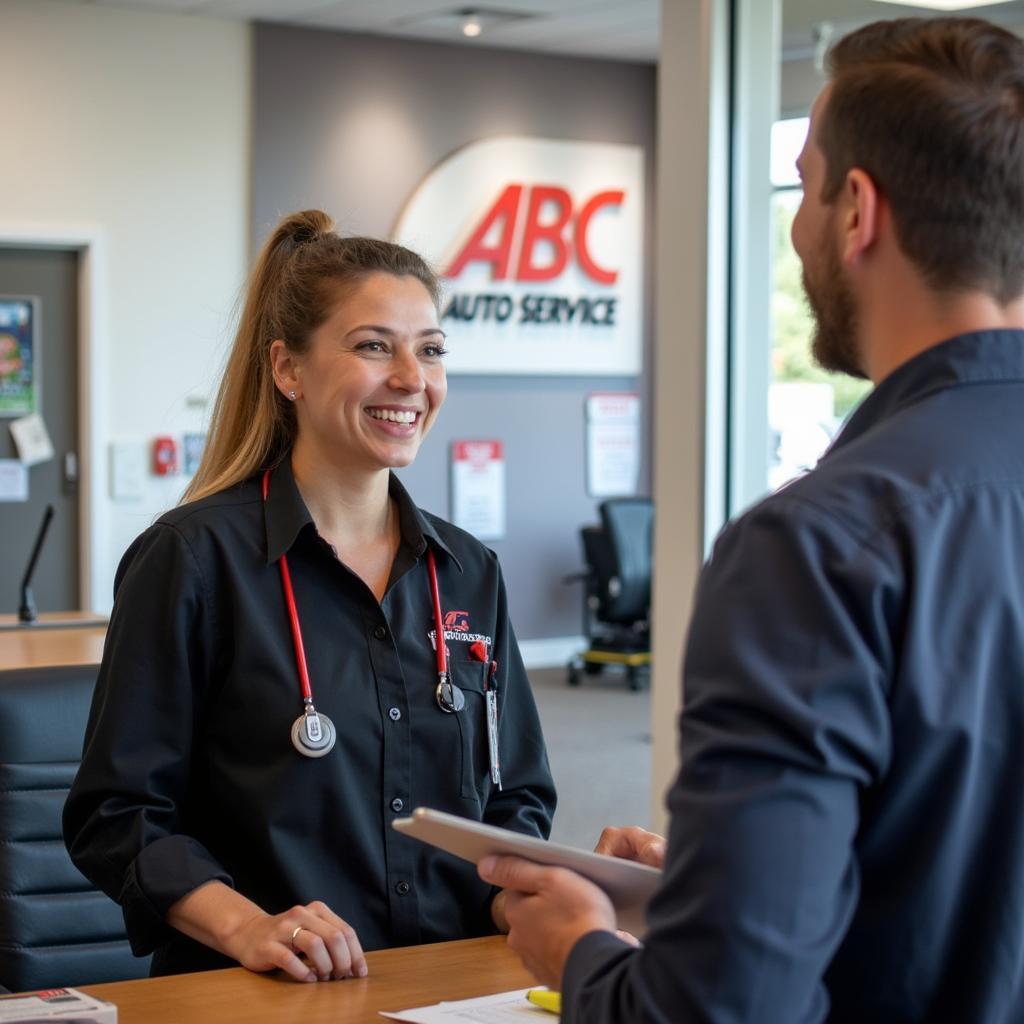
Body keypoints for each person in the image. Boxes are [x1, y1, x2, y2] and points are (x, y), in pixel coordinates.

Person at [480, 16, 1024, 1022]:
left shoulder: (819, 545)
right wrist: (722, 876)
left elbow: (724, 1008)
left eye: (805, 182)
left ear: (856, 210)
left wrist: (582, 949)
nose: (798, 223)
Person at [63, 210, 556, 982]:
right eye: (372, 346)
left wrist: (538, 897)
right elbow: (118, 816)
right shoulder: (193, 562)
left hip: (449, 985)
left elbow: (514, 798)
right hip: (260, 990)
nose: (410, 379)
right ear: (288, 369)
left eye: (430, 351)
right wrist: (250, 926)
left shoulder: (467, 572)